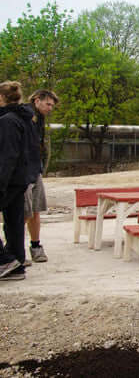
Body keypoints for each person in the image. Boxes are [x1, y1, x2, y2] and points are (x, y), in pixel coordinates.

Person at [0, 81, 41, 281]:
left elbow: (8, 156)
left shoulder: (8, 120)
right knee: (14, 223)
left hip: (9, 180)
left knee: (14, 221)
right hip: (22, 178)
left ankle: (4, 259)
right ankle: (16, 265)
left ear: (1, 98)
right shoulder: (26, 119)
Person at [24, 89, 58, 264]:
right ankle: (13, 249)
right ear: (37, 100)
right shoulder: (25, 114)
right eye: (48, 104)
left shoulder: (40, 118)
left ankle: (35, 246)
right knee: (22, 212)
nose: (50, 108)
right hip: (22, 173)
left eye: (52, 105)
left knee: (36, 210)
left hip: (35, 170)